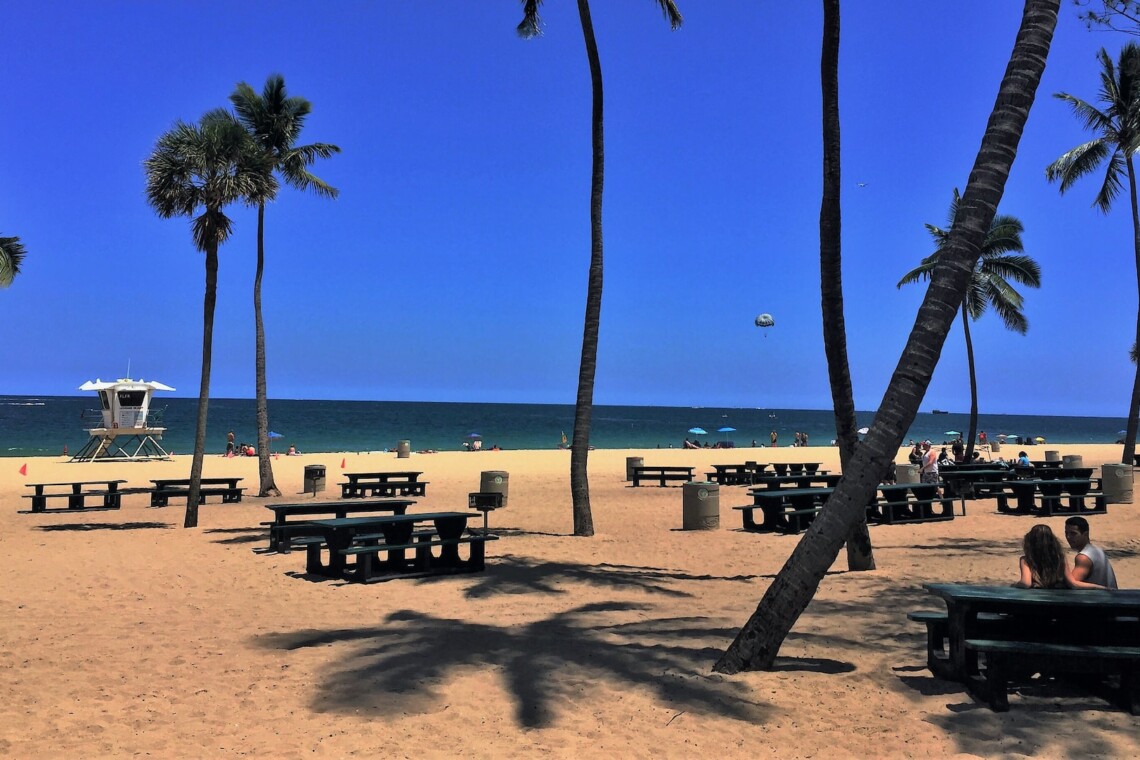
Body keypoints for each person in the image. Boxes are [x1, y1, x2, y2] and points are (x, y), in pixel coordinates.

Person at [1014, 524, 1107, 589]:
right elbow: (1073, 584)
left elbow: (1026, 583)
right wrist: (1099, 587)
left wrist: (1014, 585)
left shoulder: (1026, 560)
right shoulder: (1059, 558)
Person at [1064, 516, 1119, 589]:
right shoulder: (1097, 550)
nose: (1068, 537)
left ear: (1085, 534)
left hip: (1099, 599)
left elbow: (1072, 585)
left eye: (1073, 534)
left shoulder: (1083, 557)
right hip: (1110, 597)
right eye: (1066, 533)